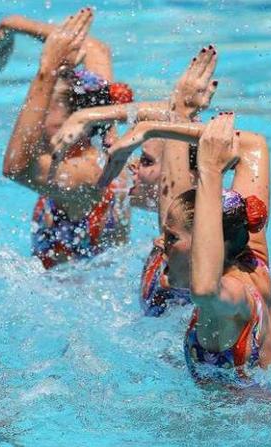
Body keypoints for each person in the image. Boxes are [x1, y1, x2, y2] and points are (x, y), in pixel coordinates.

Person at [107, 112, 271, 382]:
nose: (158, 243)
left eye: (171, 238)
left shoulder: (234, 298)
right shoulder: (250, 253)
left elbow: (204, 290)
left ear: (207, 245)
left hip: (251, 422)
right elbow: (252, 146)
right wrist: (151, 128)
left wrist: (211, 171)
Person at [51, 45, 218, 314]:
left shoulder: (190, 249)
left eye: (147, 161)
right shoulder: (179, 239)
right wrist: (87, 115)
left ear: (191, 176)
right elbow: (165, 114)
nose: (133, 168)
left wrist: (182, 112)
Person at [0, 8, 135, 269]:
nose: (31, 116)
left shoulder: (88, 177)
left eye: (43, 107)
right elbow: (94, 48)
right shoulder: (104, 138)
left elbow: (14, 167)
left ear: (74, 121)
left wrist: (47, 70)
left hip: (80, 298)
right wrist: (14, 23)